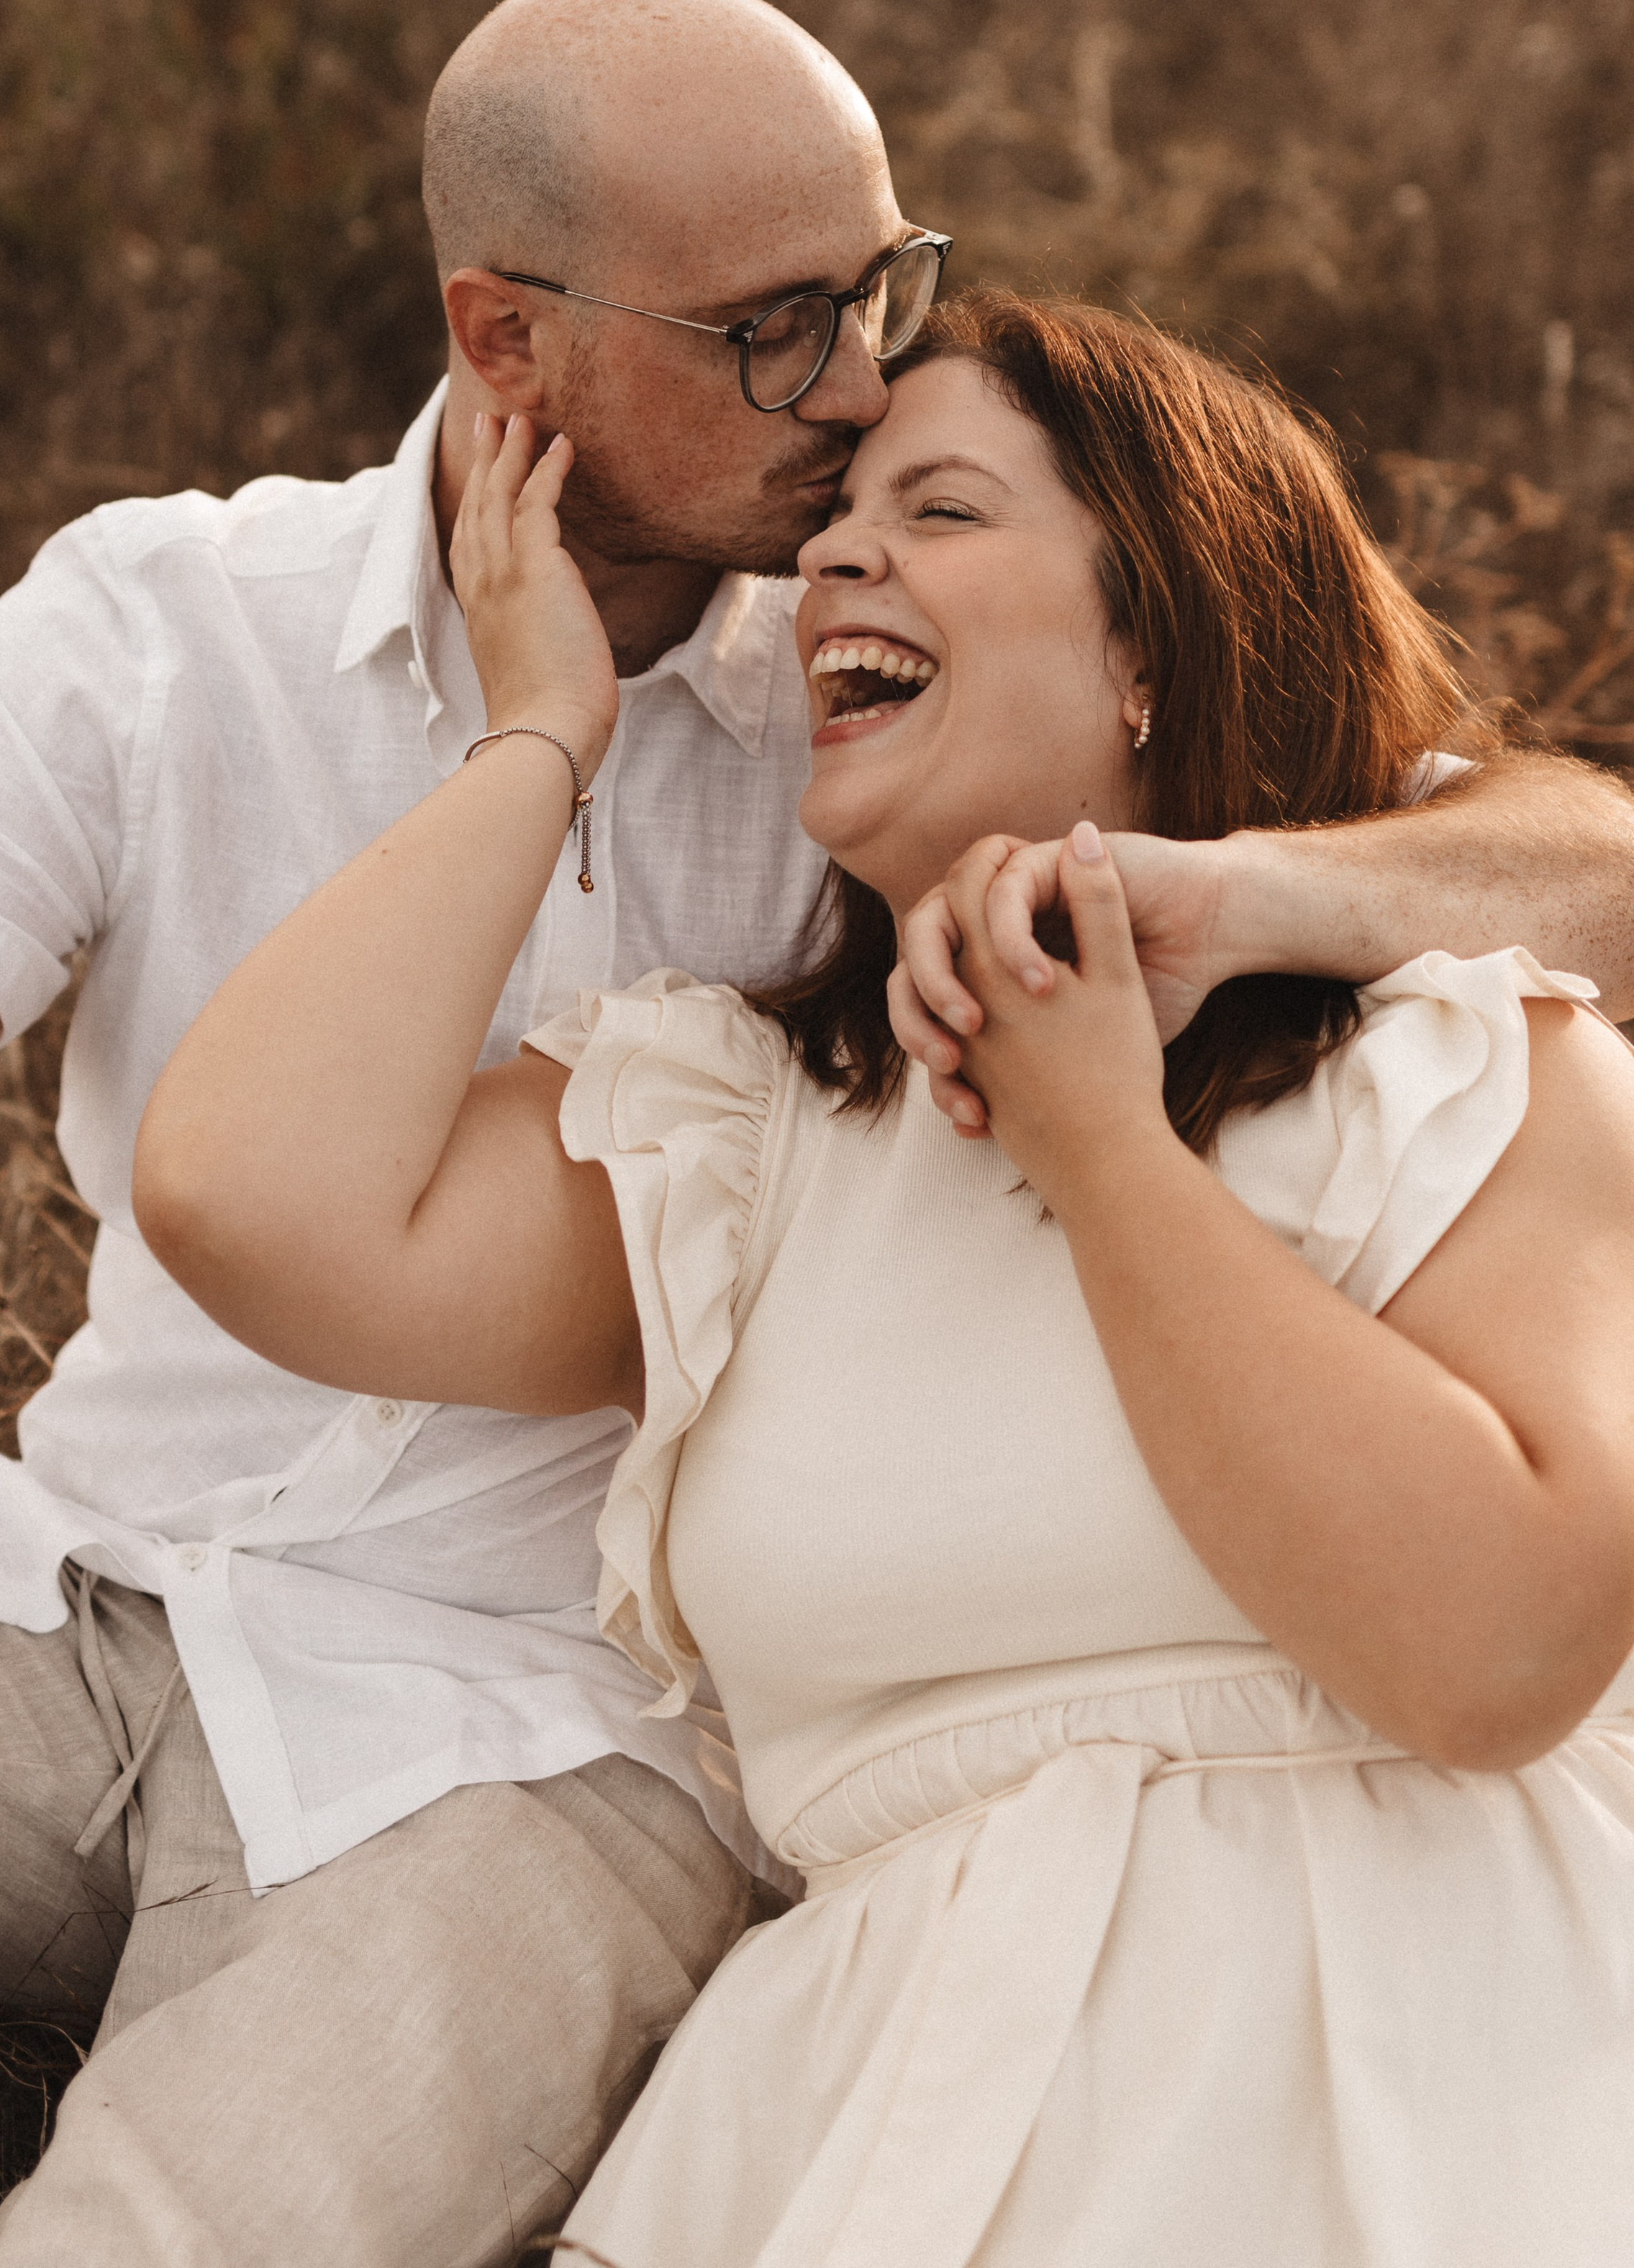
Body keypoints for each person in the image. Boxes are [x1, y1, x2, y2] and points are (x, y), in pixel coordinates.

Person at [0, 0, 1629, 2267]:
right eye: (773, 329)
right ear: (509, 340)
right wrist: (534, 734)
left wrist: (1230, 894)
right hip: (62, 1593)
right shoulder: (174, 628)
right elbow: (78, 1161)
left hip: (537, 1745)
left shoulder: (910, 718)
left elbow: (1571, 858)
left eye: (880, 291)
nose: (853, 396)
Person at [135, 294, 1634, 2268]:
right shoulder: (750, 1143)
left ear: (1150, 652)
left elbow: (1496, 1649)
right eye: (839, 513)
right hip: (851, 2146)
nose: (838, 551)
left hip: (1381, 2104)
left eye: (940, 508)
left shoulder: (1460, 1066)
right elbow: (249, 1195)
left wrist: (1098, 1134)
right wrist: (542, 733)